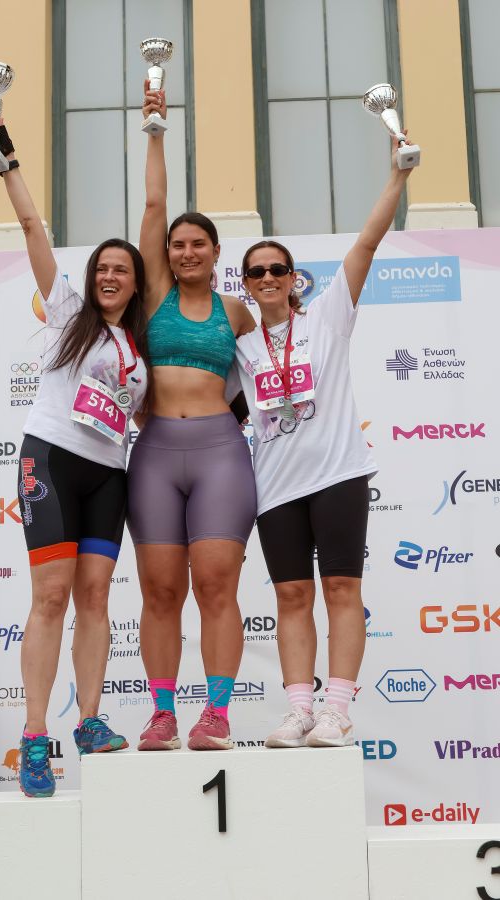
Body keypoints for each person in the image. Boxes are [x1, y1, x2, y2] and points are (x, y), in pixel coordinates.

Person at [0, 118, 149, 795]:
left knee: (96, 597)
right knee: (50, 597)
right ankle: (33, 736)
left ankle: (89, 720)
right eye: (103, 268)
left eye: (121, 270)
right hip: (51, 458)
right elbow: (31, 230)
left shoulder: (140, 350)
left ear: (135, 284)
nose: (110, 276)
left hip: (109, 476)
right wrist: (10, 165)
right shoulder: (66, 312)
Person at [235, 136, 415, 748]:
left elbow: (365, 243)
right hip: (275, 485)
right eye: (256, 272)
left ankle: (336, 711)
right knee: (290, 595)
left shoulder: (328, 317)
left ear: (294, 279)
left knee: (342, 590)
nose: (267, 278)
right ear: (246, 283)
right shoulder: (240, 347)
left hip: (338, 474)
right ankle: (299, 712)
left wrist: (396, 177)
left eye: (276, 269)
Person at [127, 83, 257, 751]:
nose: (185, 252)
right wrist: (156, 128)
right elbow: (154, 204)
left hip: (219, 452)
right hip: (153, 451)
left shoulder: (238, 312)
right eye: (177, 244)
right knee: (159, 590)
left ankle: (217, 714)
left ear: (215, 251)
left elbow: (280, 366)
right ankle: (162, 714)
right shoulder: (152, 293)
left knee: (215, 585)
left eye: (197, 244)